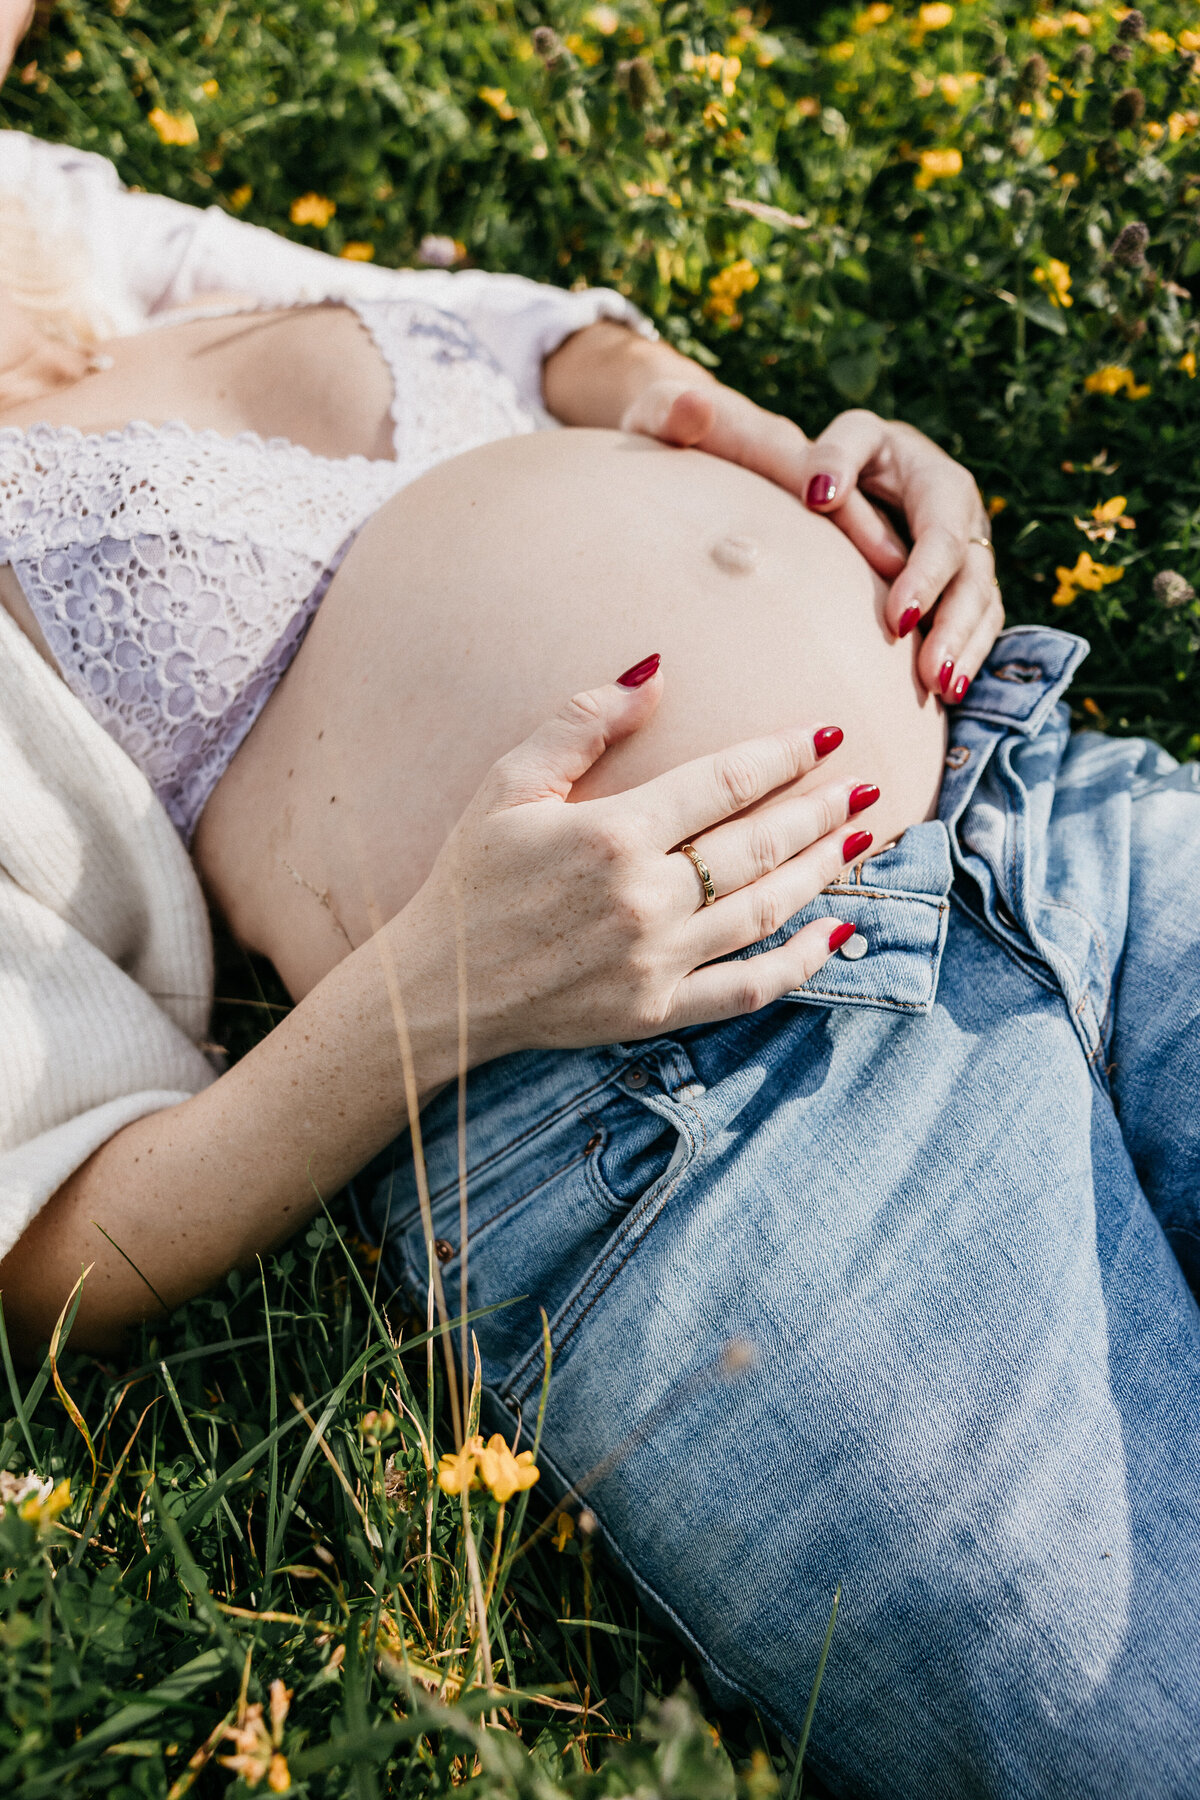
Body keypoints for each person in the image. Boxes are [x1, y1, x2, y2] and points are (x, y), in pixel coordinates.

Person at [1, 12, 1199, 1798]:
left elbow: (542, 343)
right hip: (689, 1095)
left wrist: (798, 461)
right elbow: (52, 1247)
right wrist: (442, 985)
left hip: (1039, 796)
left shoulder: (81, 225)